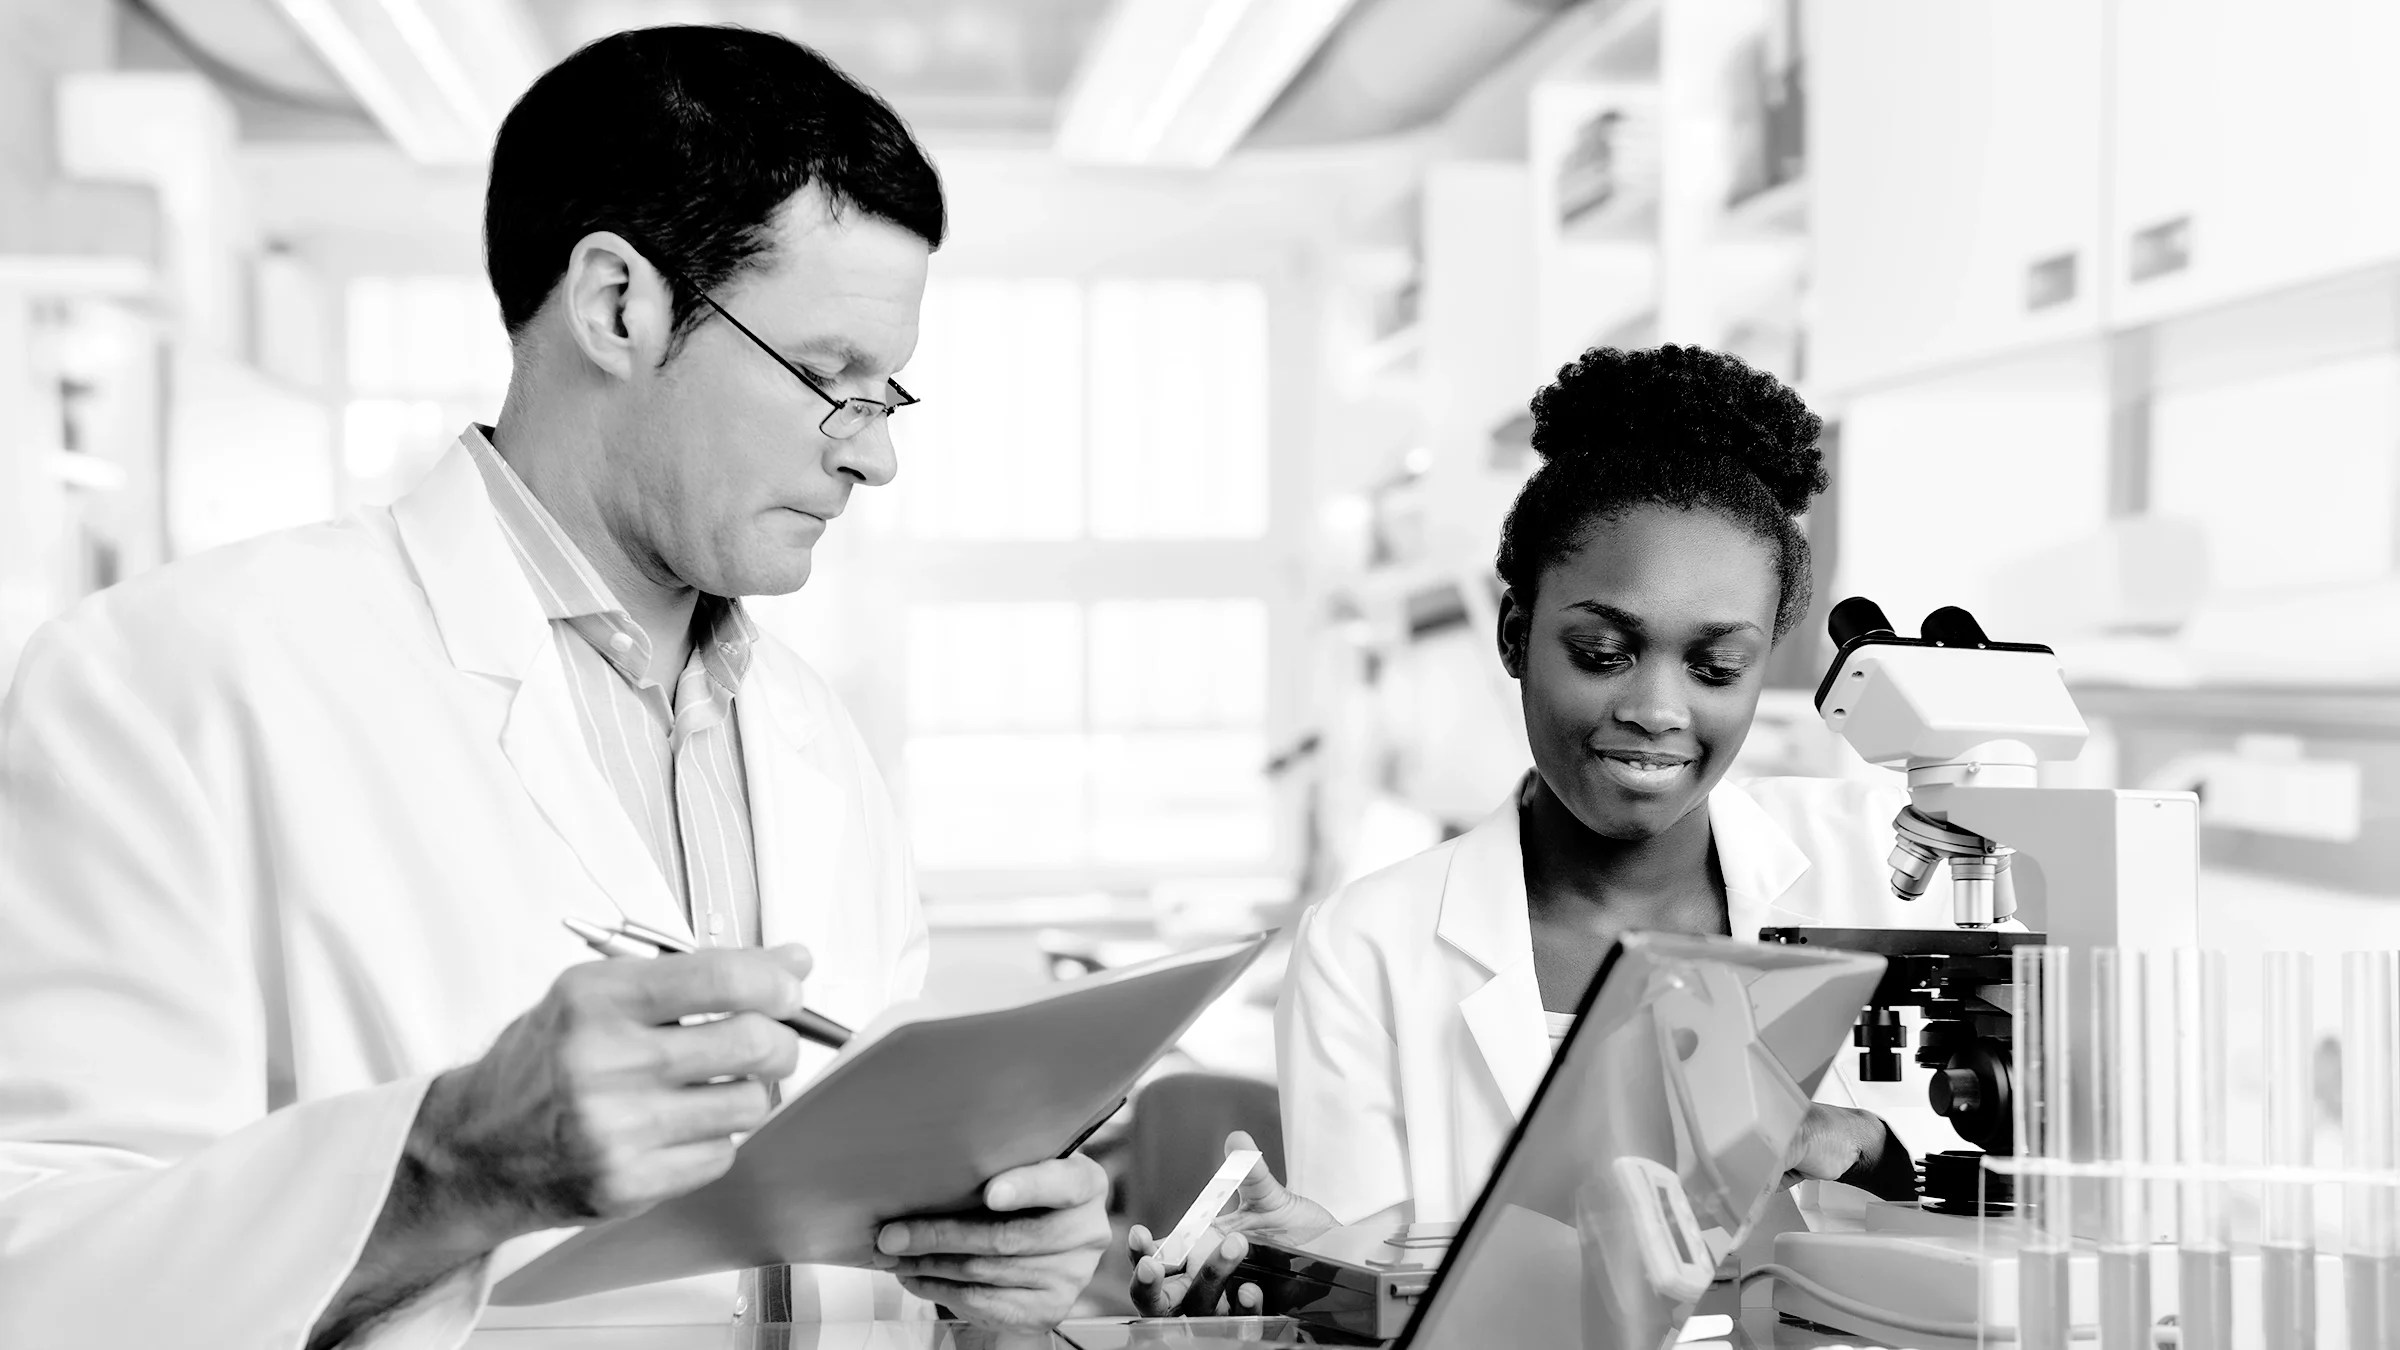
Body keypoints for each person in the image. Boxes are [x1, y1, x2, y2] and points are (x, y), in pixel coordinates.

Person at [0, 28, 1108, 1349]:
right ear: (618, 306)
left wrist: (985, 1283)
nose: (873, 458)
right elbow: (37, 1272)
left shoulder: (810, 729)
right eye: (830, 379)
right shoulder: (172, 679)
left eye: (889, 395)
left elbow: (843, 1251)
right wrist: (450, 1165)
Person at [1130, 345, 1943, 1316]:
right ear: (1515, 633)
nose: (1656, 707)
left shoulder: (1884, 864)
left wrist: (1863, 1143)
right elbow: (1369, 1297)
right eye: (1603, 652)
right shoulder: (1368, 949)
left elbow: (2007, 1174)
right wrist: (1312, 1282)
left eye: (1717, 666)